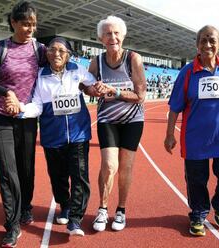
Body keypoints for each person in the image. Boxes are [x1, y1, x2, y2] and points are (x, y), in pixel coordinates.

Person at [164, 25, 219, 237]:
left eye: (212, 40)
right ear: (197, 45)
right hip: (195, 138)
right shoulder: (187, 72)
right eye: (203, 40)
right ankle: (198, 214)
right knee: (196, 179)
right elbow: (175, 105)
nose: (208, 44)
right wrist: (169, 135)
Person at [12, 37, 99, 236]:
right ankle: (65, 206)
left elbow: (92, 84)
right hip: (52, 136)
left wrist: (92, 88)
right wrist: (21, 110)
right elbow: (37, 106)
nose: (56, 54)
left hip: (79, 133)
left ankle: (75, 219)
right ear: (47, 53)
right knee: (58, 177)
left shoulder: (77, 70)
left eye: (61, 50)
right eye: (52, 50)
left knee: (80, 176)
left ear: (68, 54)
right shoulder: (41, 76)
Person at [0, 2, 45, 247]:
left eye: (34, 24)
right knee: (8, 172)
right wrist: (8, 93)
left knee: (26, 169)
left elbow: (58, 68)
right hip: (0, 118)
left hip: (27, 119)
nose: (30, 29)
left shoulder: (39, 49)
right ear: (14, 23)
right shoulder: (0, 48)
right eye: (26, 24)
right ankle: (12, 223)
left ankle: (26, 206)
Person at [88, 16, 146, 232]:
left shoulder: (134, 59)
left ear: (122, 36)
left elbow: (140, 95)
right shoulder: (97, 61)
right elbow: (85, 86)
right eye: (107, 34)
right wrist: (92, 89)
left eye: (116, 33)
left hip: (132, 120)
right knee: (109, 165)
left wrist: (116, 91)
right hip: (107, 119)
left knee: (125, 167)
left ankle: (120, 210)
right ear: (101, 38)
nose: (112, 37)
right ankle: (103, 209)